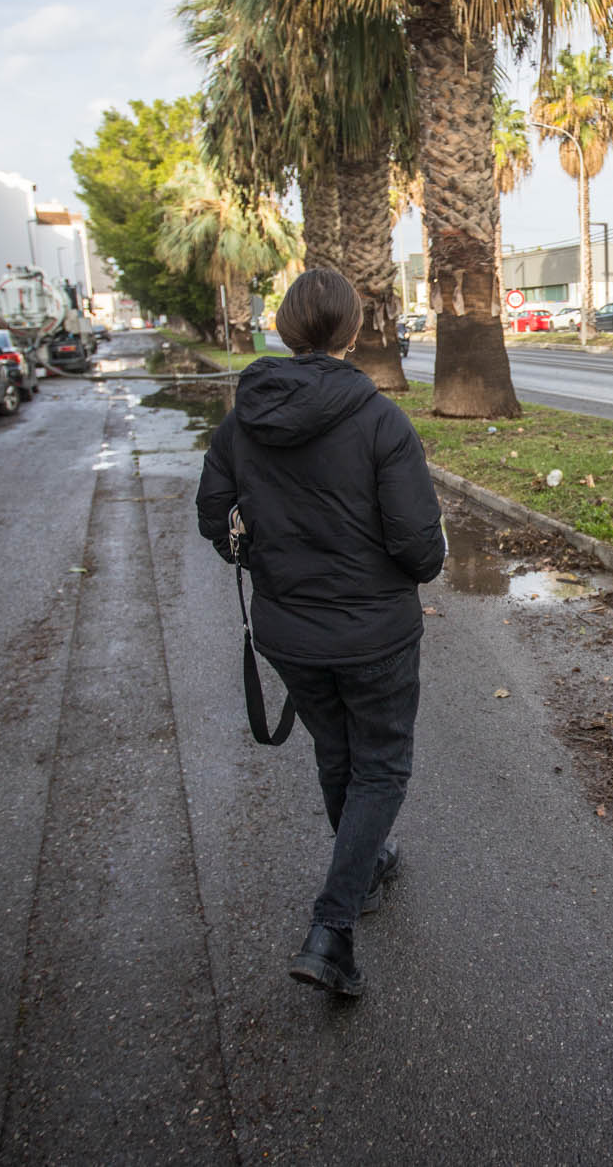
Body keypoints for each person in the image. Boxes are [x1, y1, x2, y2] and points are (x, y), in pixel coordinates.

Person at [196, 268, 446, 998]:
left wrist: (266, 556)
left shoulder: (244, 422)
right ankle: (332, 926)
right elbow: (419, 549)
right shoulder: (380, 422)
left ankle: (366, 864)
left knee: (337, 752)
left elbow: (217, 519)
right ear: (354, 331)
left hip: (289, 634)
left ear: (284, 328)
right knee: (381, 765)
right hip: (376, 635)